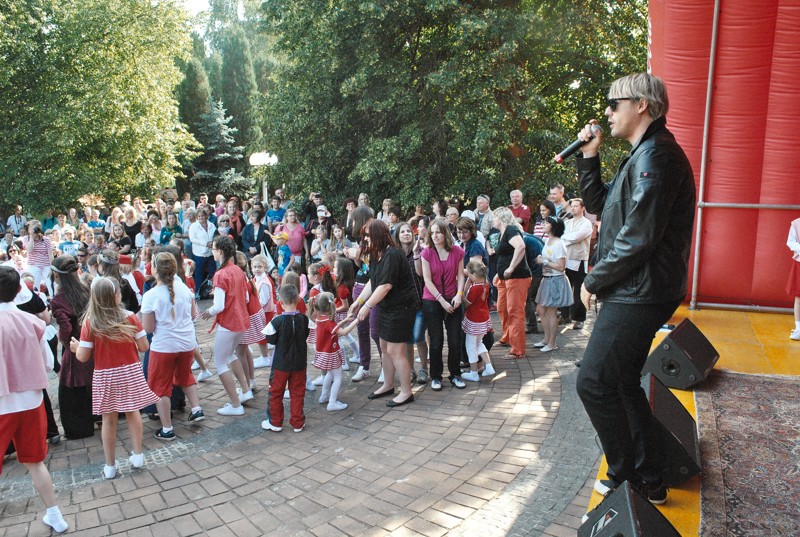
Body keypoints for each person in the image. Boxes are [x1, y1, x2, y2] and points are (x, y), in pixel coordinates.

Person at [574, 73, 696, 504]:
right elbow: (602, 206)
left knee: (593, 382)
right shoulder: (644, 154)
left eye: (614, 103)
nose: (607, 112)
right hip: (639, 287)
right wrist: (589, 158)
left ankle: (627, 478)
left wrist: (593, 279)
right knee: (623, 382)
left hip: (640, 290)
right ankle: (649, 477)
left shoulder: (657, 156)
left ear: (641, 104)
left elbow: (639, 236)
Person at [0, 266, 69, 533]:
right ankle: (55, 515)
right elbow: (49, 362)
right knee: (35, 461)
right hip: (31, 400)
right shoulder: (33, 323)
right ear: (20, 290)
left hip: (3, 403)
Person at [70, 277, 159, 479]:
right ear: (117, 296)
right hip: (130, 372)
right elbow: (144, 347)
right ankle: (138, 455)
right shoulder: (130, 317)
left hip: (105, 375)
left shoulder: (90, 322)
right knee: (133, 411)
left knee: (108, 420)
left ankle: (110, 466)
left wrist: (76, 347)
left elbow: (83, 357)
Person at [341, 220, 418, 406]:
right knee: (384, 347)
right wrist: (358, 302)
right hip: (386, 307)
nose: (365, 239)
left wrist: (367, 307)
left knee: (395, 350)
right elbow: (373, 282)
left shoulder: (393, 254)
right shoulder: (376, 254)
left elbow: (385, 286)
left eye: (368, 235)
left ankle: (406, 392)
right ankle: (388, 385)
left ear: (379, 235)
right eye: (364, 236)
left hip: (401, 308)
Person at [141, 252, 206, 441]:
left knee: (160, 386)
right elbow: (193, 315)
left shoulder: (151, 295)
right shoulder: (184, 288)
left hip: (164, 346)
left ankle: (167, 428)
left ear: (155, 270)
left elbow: (148, 328)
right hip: (187, 342)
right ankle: (196, 408)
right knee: (185, 375)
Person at [198, 236, 254, 416]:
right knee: (230, 355)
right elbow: (246, 298)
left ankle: (236, 405)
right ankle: (245, 390)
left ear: (220, 251)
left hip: (229, 323)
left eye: (214, 249)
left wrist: (208, 312)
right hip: (241, 321)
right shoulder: (237, 269)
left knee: (220, 363)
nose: (212, 252)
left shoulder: (221, 274)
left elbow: (219, 306)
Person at [50, 255, 95, 440]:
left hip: (75, 345)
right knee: (92, 379)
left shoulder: (59, 299)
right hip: (92, 342)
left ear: (56, 275)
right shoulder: (86, 290)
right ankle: (97, 417)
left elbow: (66, 328)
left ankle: (79, 428)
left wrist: (66, 342)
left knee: (71, 386)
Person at [419, 218, 466, 390]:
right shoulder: (427, 253)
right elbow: (427, 280)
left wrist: (459, 294)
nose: (435, 235)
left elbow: (460, 275)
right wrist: (441, 301)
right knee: (436, 340)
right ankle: (436, 376)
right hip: (432, 300)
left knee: (455, 340)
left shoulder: (457, 251)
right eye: (432, 233)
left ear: (445, 233)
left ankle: (455, 374)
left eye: (438, 232)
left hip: (454, 298)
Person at [261, 284, 310, 432]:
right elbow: (305, 335)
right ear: (298, 300)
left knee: (276, 392)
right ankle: (297, 422)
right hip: (299, 363)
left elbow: (270, 339)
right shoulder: (304, 319)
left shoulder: (277, 321)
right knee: (298, 392)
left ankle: (275, 422)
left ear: (281, 302)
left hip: (280, 364)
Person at [493, 207, 532, 360]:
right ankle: (508, 337)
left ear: (501, 218)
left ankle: (517, 350)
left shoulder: (511, 230)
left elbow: (520, 246)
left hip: (517, 277)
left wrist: (511, 267)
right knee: (502, 308)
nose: (493, 220)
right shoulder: (503, 233)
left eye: (495, 217)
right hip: (505, 278)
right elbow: (505, 255)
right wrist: (499, 273)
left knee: (514, 311)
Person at [533, 217, 573, 352]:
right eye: (543, 222)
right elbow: (550, 261)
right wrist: (543, 261)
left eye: (547, 223)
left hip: (555, 280)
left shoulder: (559, 243)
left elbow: (561, 267)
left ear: (554, 226)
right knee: (540, 309)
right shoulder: (547, 240)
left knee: (551, 311)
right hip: (547, 278)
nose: (543, 224)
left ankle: (552, 343)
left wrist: (544, 262)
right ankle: (546, 339)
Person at [310, 292, 348, 411]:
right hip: (331, 353)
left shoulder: (319, 319)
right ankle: (332, 402)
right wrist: (356, 321)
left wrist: (346, 320)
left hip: (324, 353)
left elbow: (336, 327)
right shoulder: (329, 322)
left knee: (329, 374)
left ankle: (324, 396)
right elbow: (343, 332)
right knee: (338, 376)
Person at [461, 260, 495, 381]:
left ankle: (474, 373)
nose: (468, 277)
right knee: (479, 343)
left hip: (474, 320)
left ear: (474, 275)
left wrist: (460, 293)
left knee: (471, 346)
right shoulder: (486, 283)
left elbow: (467, 303)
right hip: (483, 319)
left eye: (469, 275)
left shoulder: (475, 289)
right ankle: (488, 366)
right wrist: (469, 280)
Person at [562, 199, 593, 329]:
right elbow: (561, 236)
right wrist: (568, 238)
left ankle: (579, 318)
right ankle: (565, 315)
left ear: (582, 208)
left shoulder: (586, 223)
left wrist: (567, 238)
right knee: (565, 288)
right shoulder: (567, 222)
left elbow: (576, 237)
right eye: (572, 206)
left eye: (576, 206)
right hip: (565, 259)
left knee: (579, 290)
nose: (573, 208)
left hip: (579, 259)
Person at [188, 208, 217, 296]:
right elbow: (192, 239)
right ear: (197, 217)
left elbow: (216, 235)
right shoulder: (193, 226)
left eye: (203, 216)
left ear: (206, 216)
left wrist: (212, 243)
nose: (201, 217)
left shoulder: (212, 225)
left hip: (211, 253)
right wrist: (205, 243)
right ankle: (198, 293)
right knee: (199, 273)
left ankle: (213, 291)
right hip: (199, 253)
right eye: (199, 216)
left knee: (213, 272)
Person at [787, 217, 800, 340]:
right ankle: (799, 328)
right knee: (798, 296)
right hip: (799, 263)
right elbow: (790, 242)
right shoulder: (796, 224)